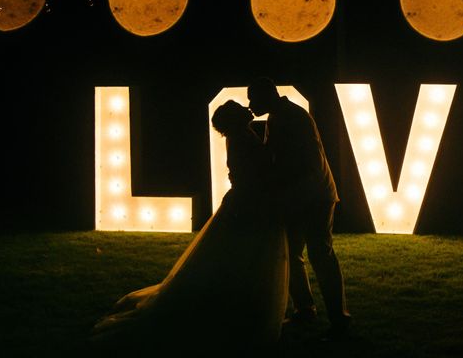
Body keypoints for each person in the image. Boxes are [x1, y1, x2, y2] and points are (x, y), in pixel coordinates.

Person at [90, 100, 289, 356]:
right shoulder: (242, 138)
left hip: (246, 201)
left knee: (236, 257)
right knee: (248, 257)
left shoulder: (240, 136)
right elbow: (257, 171)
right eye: (240, 107)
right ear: (234, 118)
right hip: (251, 204)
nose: (246, 108)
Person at [247, 77, 351, 339]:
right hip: (306, 196)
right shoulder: (284, 115)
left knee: (319, 255)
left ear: (266, 95)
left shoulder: (292, 117)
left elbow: (300, 162)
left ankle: (335, 317)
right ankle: (308, 310)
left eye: (252, 98)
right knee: (296, 254)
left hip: (312, 197)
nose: (250, 105)